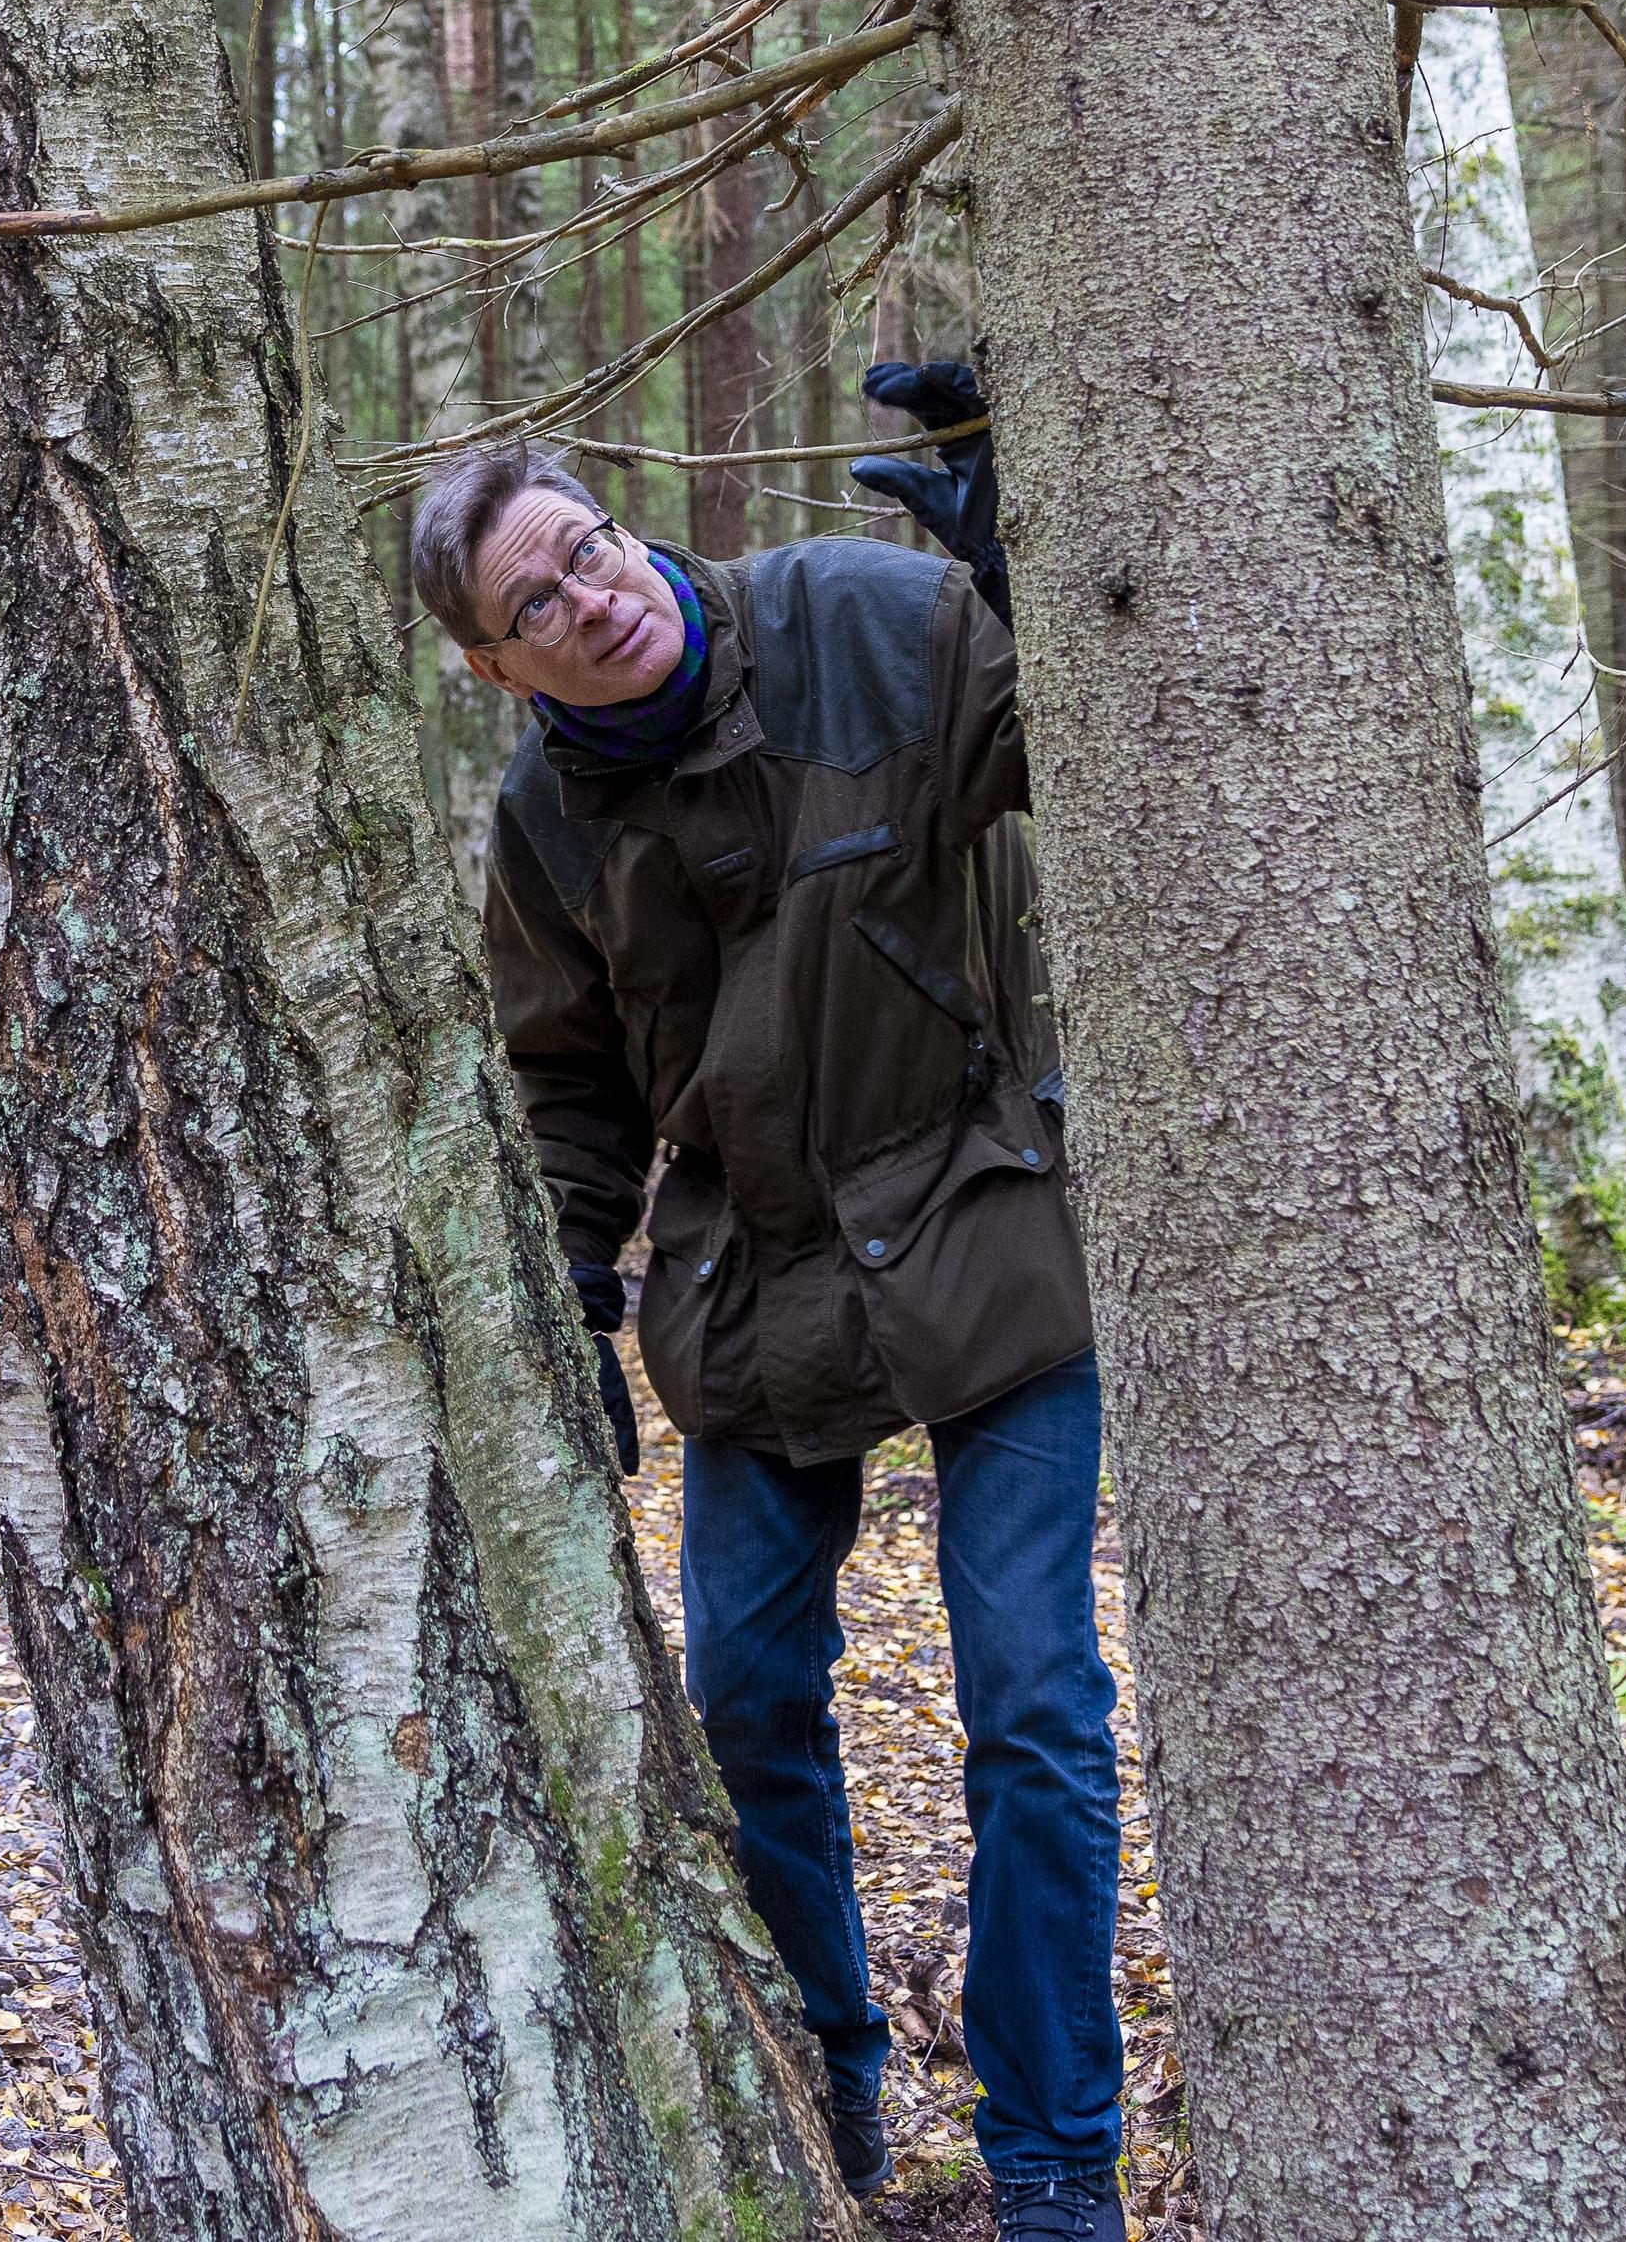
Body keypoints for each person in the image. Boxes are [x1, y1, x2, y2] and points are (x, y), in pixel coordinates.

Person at [404, 366, 1125, 2242]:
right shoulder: (544, 827)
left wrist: (1018, 523)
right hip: (748, 1287)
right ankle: (831, 2083)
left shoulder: (862, 625)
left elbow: (1106, 723)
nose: (589, 601)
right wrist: (572, 1265)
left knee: (1033, 1702)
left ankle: (1055, 2157)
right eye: (535, 607)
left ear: (627, 522)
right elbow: (563, 1078)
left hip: (983, 1228)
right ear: (500, 669)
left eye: (586, 551)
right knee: (743, 1708)